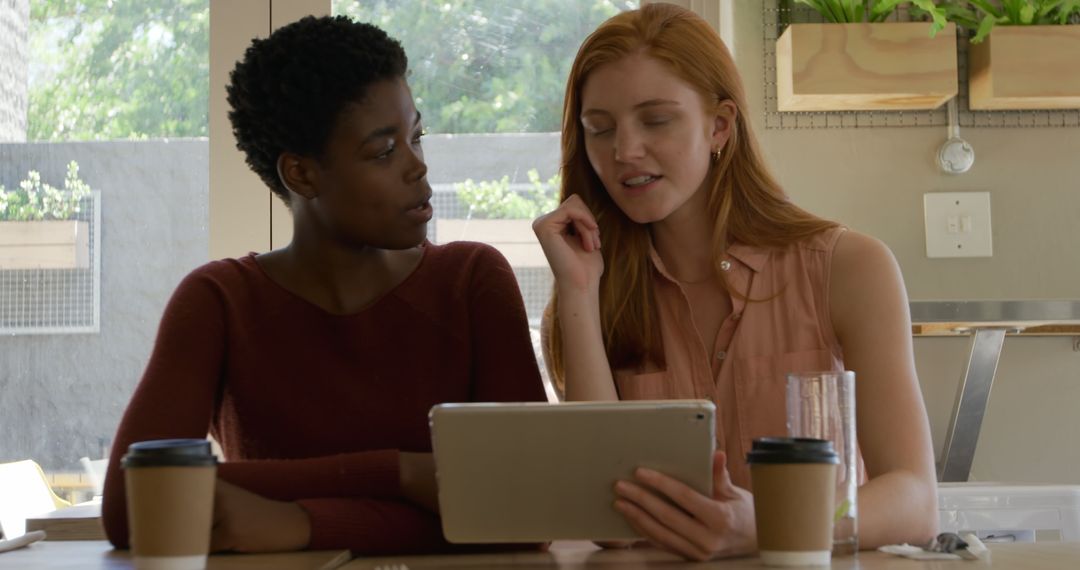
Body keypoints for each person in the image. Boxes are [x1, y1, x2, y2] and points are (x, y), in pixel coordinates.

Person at [102, 15, 546, 555]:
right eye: (384, 151)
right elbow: (135, 506)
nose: (418, 168)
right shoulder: (219, 301)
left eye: (416, 137)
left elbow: (526, 509)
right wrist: (407, 475)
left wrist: (302, 525)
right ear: (302, 175)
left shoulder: (474, 280)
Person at [533, 3, 938, 561]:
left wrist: (772, 525)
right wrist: (578, 293)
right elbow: (610, 522)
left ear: (720, 125)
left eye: (655, 120)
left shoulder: (850, 267)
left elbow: (915, 503)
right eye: (599, 129)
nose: (624, 151)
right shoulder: (590, 290)